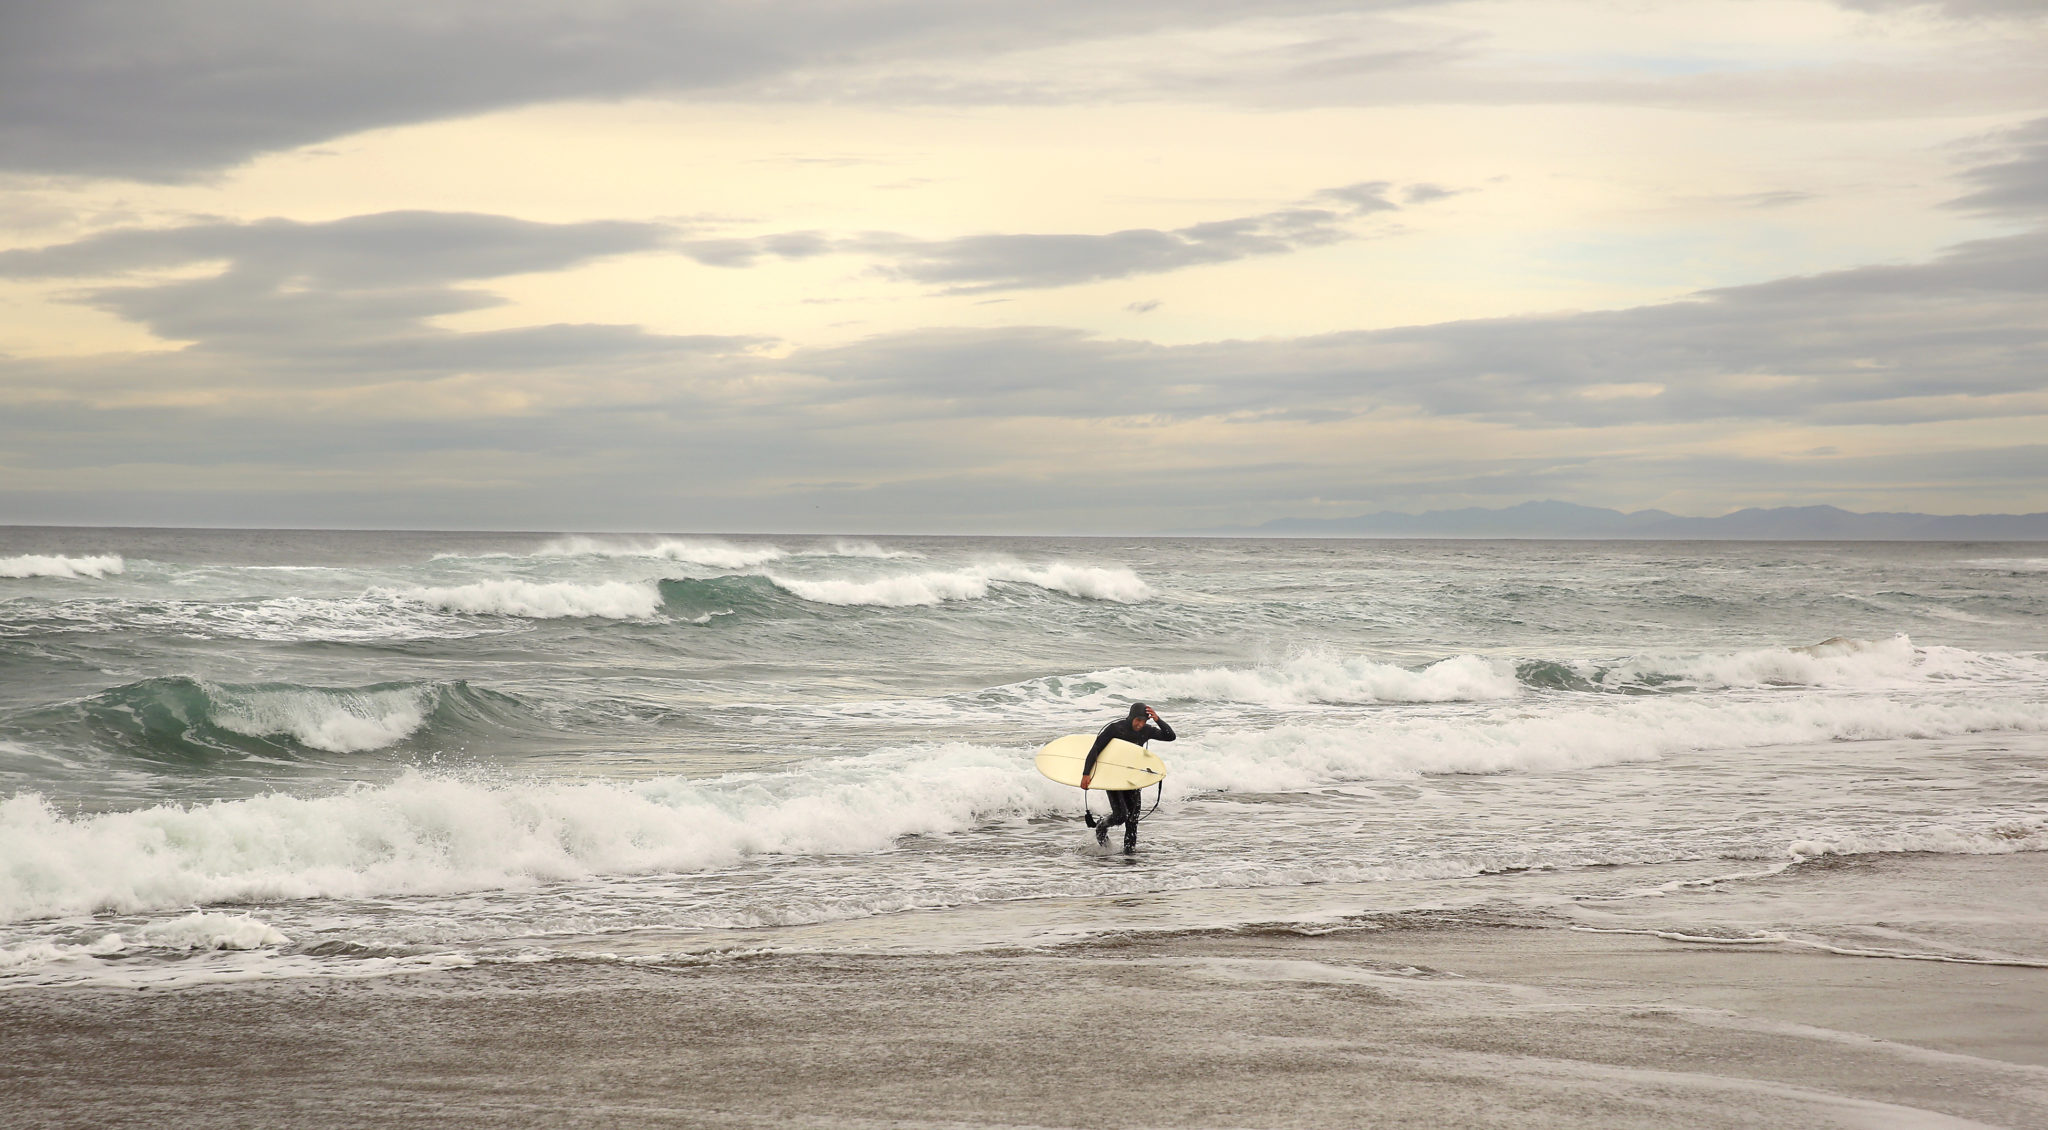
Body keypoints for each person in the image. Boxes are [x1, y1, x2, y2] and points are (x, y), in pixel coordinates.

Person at [1080, 702, 1175, 853]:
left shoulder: (1146, 730)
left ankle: (1129, 855)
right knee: (1120, 816)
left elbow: (1170, 737)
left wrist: (1157, 719)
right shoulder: (1116, 729)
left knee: (1132, 821)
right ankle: (1102, 825)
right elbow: (1096, 749)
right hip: (1114, 777)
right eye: (1138, 720)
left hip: (1132, 778)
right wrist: (1086, 774)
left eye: (1144, 721)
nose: (1140, 724)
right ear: (1131, 717)